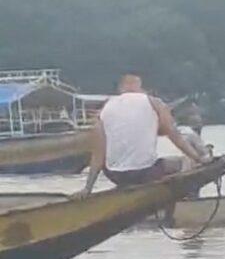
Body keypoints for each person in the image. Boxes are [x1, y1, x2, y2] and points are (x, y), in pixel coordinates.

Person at [72, 74, 205, 198]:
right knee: (184, 162)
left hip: (114, 175)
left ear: (121, 89)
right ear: (140, 87)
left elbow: (98, 155)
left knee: (132, 169)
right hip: (145, 173)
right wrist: (198, 158)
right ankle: (172, 212)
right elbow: (173, 134)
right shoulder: (154, 102)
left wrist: (87, 188)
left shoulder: (105, 108)